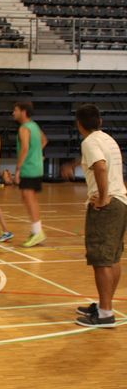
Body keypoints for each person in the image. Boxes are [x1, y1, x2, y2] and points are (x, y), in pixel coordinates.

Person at [60, 105, 126, 328]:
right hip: (121, 201)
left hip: (108, 204)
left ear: (79, 124)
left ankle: (106, 314)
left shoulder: (88, 142)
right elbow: (99, 161)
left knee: (101, 259)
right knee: (112, 257)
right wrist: (75, 164)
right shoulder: (106, 139)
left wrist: (103, 197)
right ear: (100, 121)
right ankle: (104, 305)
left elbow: (100, 166)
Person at [13, 101, 48, 247]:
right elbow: (44, 140)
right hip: (37, 167)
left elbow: (25, 148)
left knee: (29, 198)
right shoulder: (34, 125)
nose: (13, 113)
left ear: (23, 111)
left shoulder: (24, 128)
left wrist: (18, 169)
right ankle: (36, 230)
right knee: (29, 197)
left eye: (15, 110)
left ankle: (38, 232)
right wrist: (37, 154)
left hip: (29, 168)